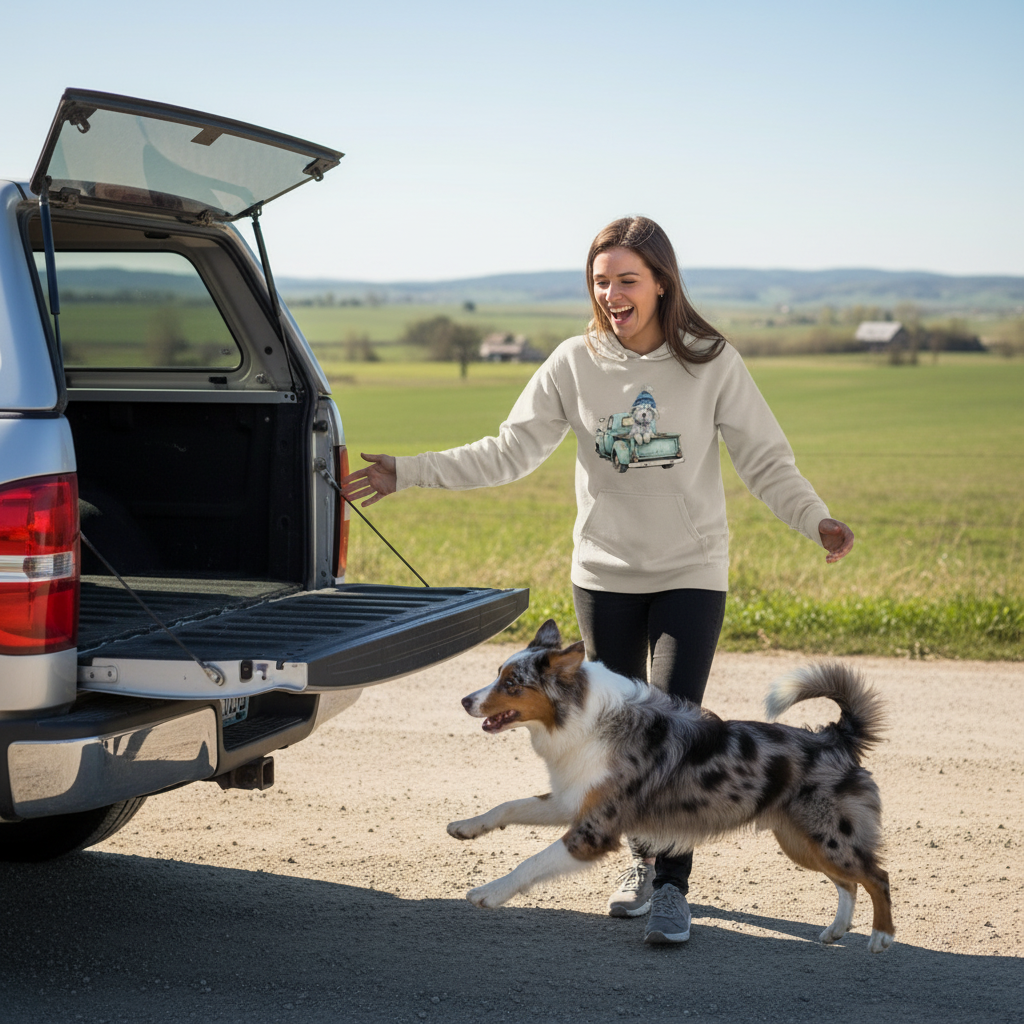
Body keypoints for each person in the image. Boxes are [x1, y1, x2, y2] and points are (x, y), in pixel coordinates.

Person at [340, 215, 854, 945]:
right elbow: (510, 451)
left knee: (678, 731)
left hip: (690, 572)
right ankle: (640, 863)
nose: (611, 293)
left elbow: (768, 461)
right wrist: (411, 471)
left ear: (663, 282)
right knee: (614, 737)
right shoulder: (573, 363)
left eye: (626, 280)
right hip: (604, 575)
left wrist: (817, 521)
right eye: (600, 280)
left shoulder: (711, 362)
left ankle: (673, 887)